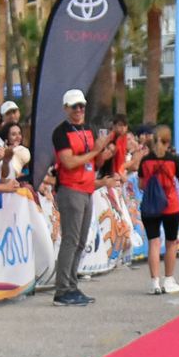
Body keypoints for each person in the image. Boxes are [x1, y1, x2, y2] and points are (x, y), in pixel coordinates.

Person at [50, 89, 115, 306]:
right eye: (74, 106)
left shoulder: (87, 129)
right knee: (71, 240)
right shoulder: (61, 132)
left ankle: (71, 285)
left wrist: (102, 154)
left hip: (87, 188)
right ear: (66, 108)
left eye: (82, 106)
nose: (79, 110)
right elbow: (68, 162)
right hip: (71, 188)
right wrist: (95, 151)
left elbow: (92, 162)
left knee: (80, 241)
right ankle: (62, 289)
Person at [137, 133, 179, 294]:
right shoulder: (173, 160)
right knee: (171, 243)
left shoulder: (145, 161)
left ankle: (154, 282)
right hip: (170, 205)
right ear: (167, 142)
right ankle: (169, 280)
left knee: (153, 242)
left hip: (151, 205)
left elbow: (141, 185)